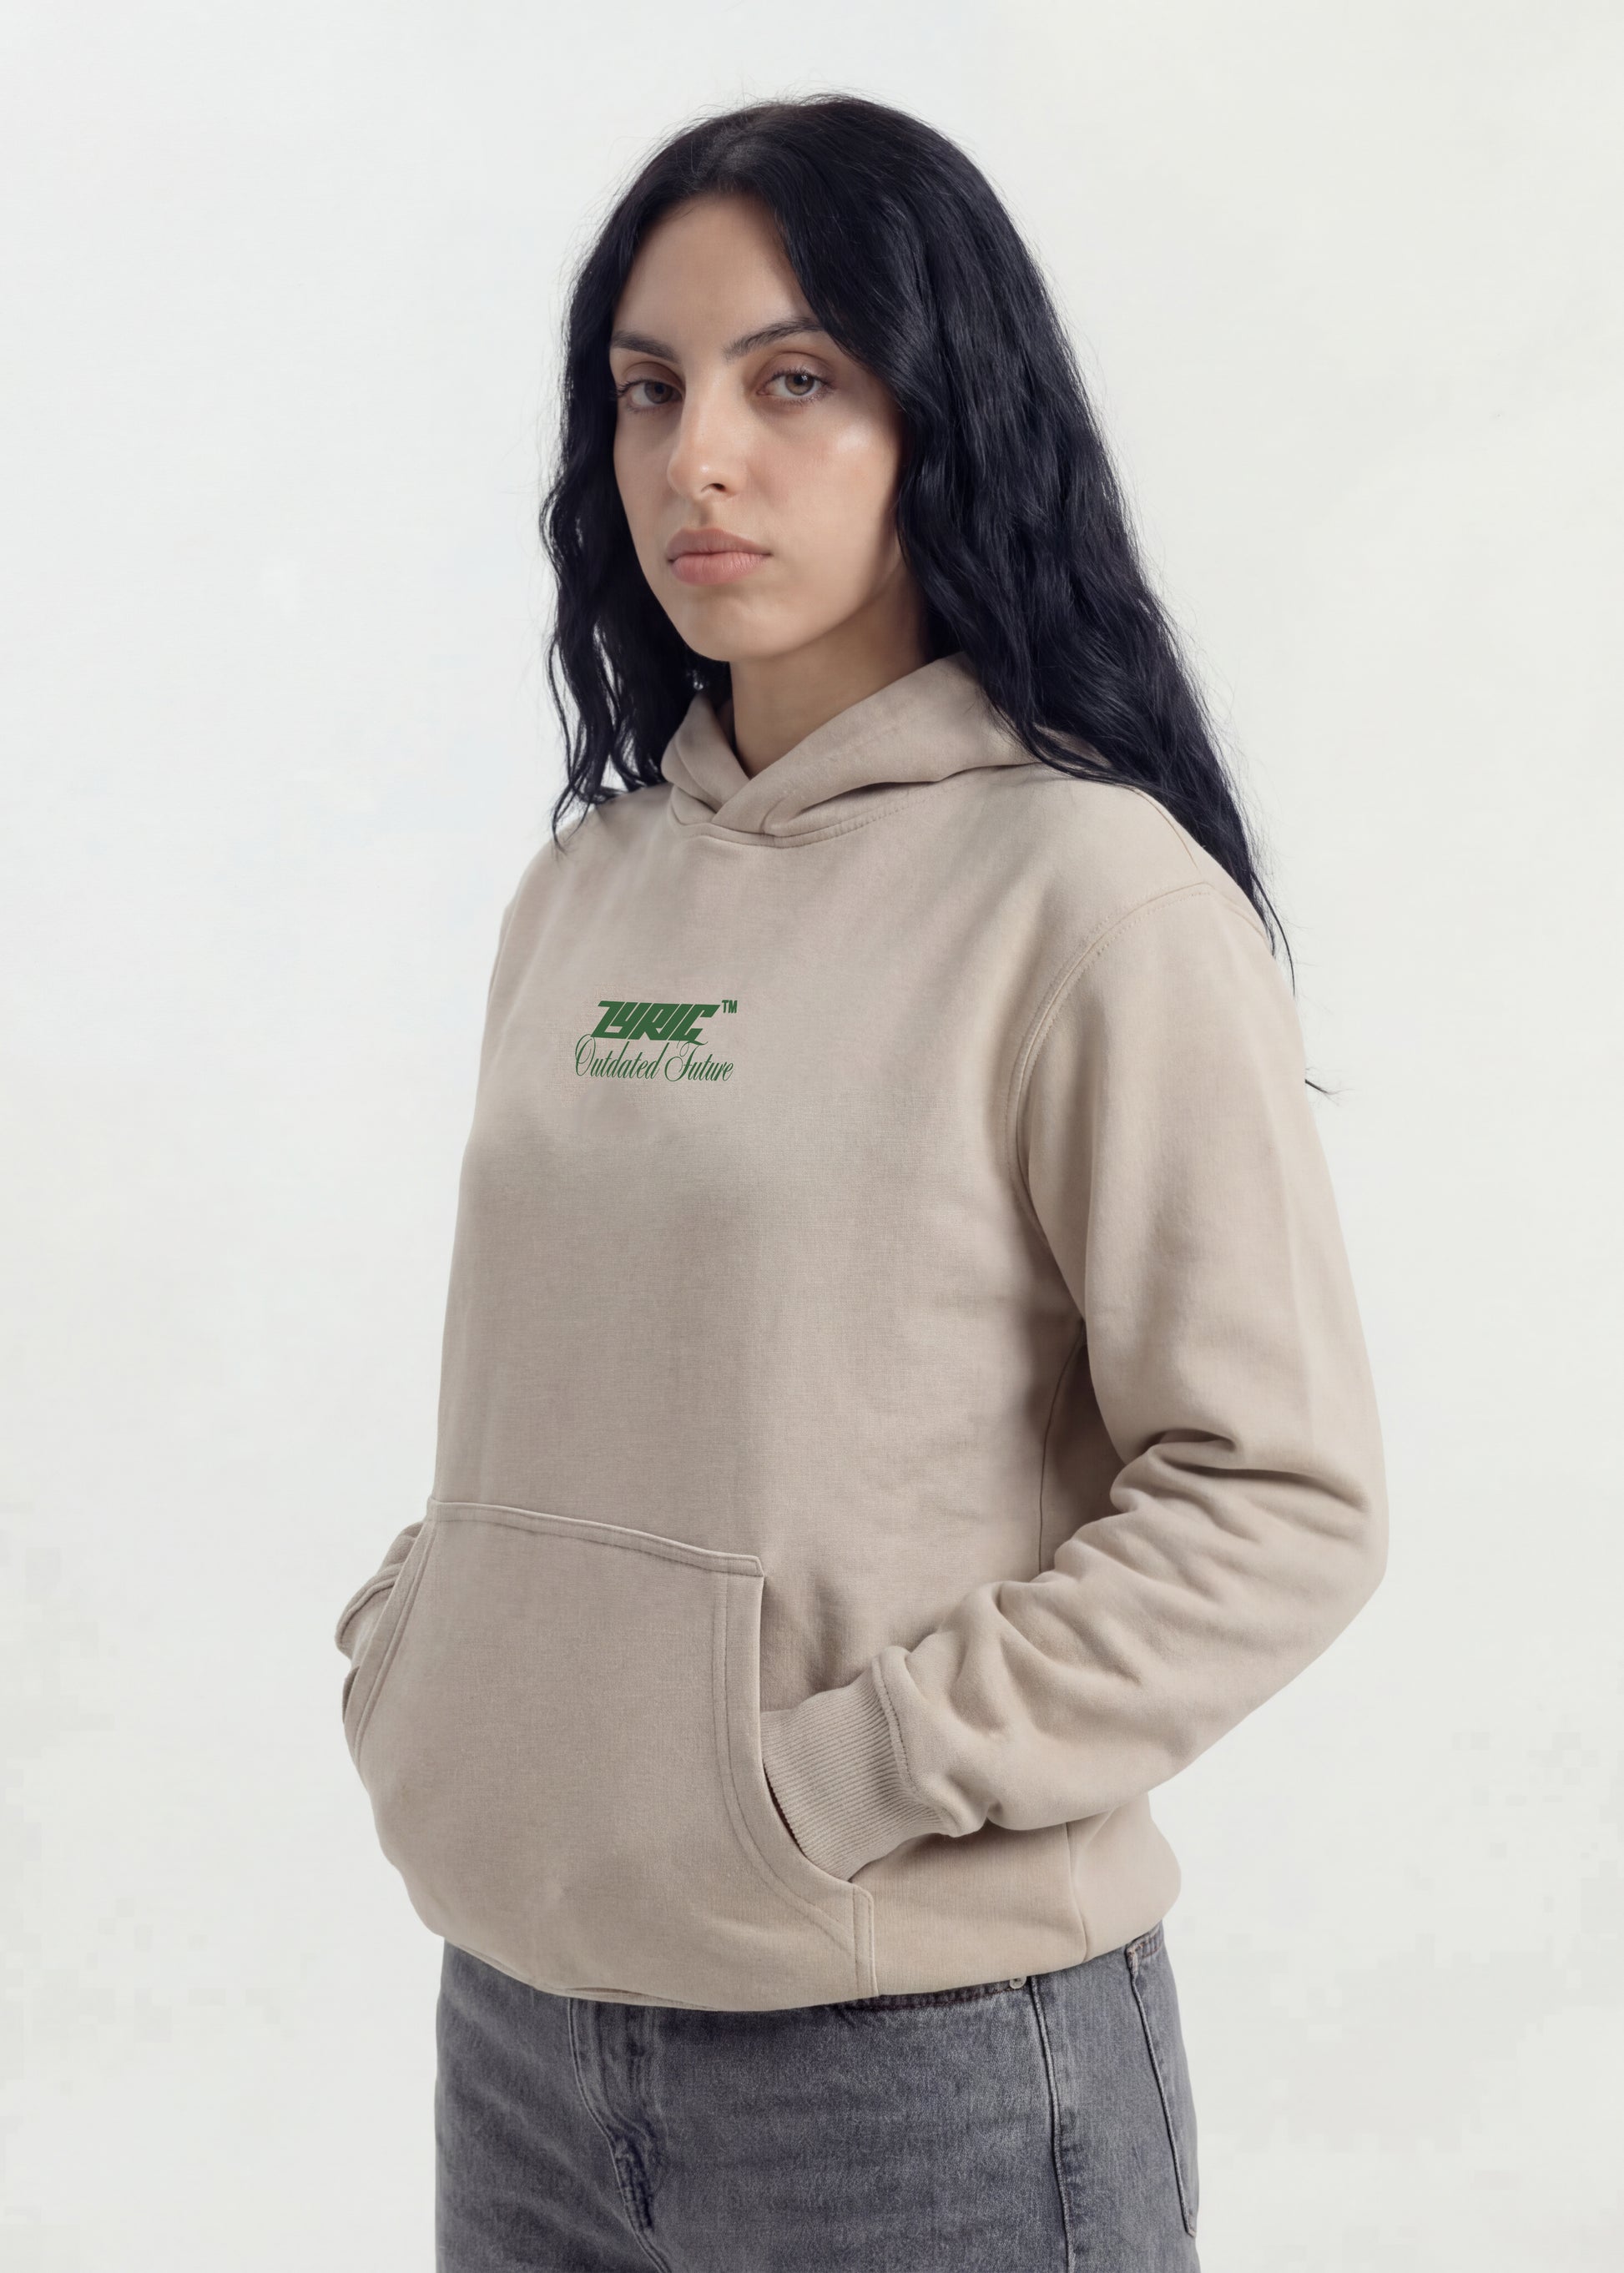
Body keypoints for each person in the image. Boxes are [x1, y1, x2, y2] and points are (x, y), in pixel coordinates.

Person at [332, 93, 1388, 2272]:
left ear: (942, 417)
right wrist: (427, 1667)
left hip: (919, 2064)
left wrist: (852, 1771)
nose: (696, 458)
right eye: (649, 389)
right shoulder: (587, 892)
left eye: (792, 379)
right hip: (519, 2030)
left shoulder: (1089, 896)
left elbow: (1277, 1496)